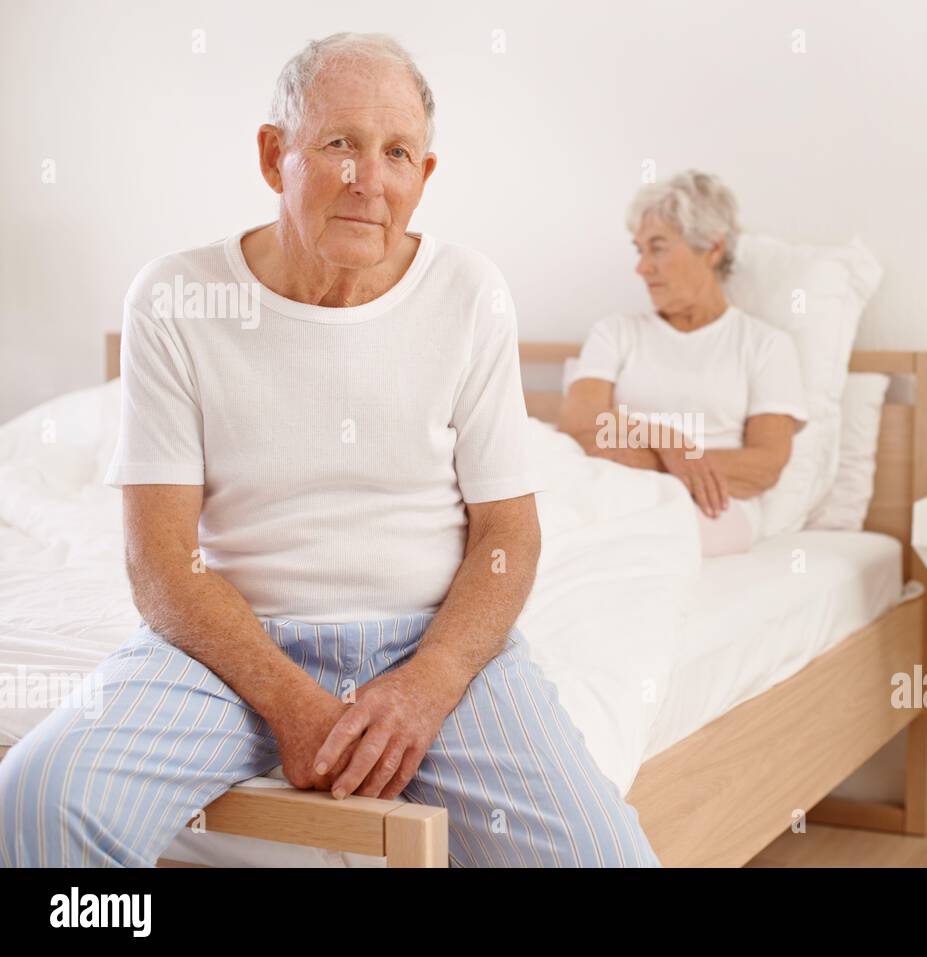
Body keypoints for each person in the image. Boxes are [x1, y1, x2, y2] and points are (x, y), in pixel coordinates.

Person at [0, 32, 658, 868]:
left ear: (425, 175)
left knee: (608, 860)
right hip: (230, 649)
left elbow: (508, 535)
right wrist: (290, 700)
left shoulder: (470, 294)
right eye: (340, 143)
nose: (368, 181)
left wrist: (429, 683)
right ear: (275, 156)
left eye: (396, 153)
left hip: (431, 642)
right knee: (37, 798)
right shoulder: (175, 298)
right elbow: (160, 560)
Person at [558, 170, 807, 556]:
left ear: (712, 248)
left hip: (716, 505)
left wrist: (641, 454)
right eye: (639, 250)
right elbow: (578, 425)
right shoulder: (615, 332)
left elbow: (764, 465)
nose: (642, 267)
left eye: (657, 247)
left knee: (627, 546)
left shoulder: (766, 346)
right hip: (613, 488)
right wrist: (668, 442)